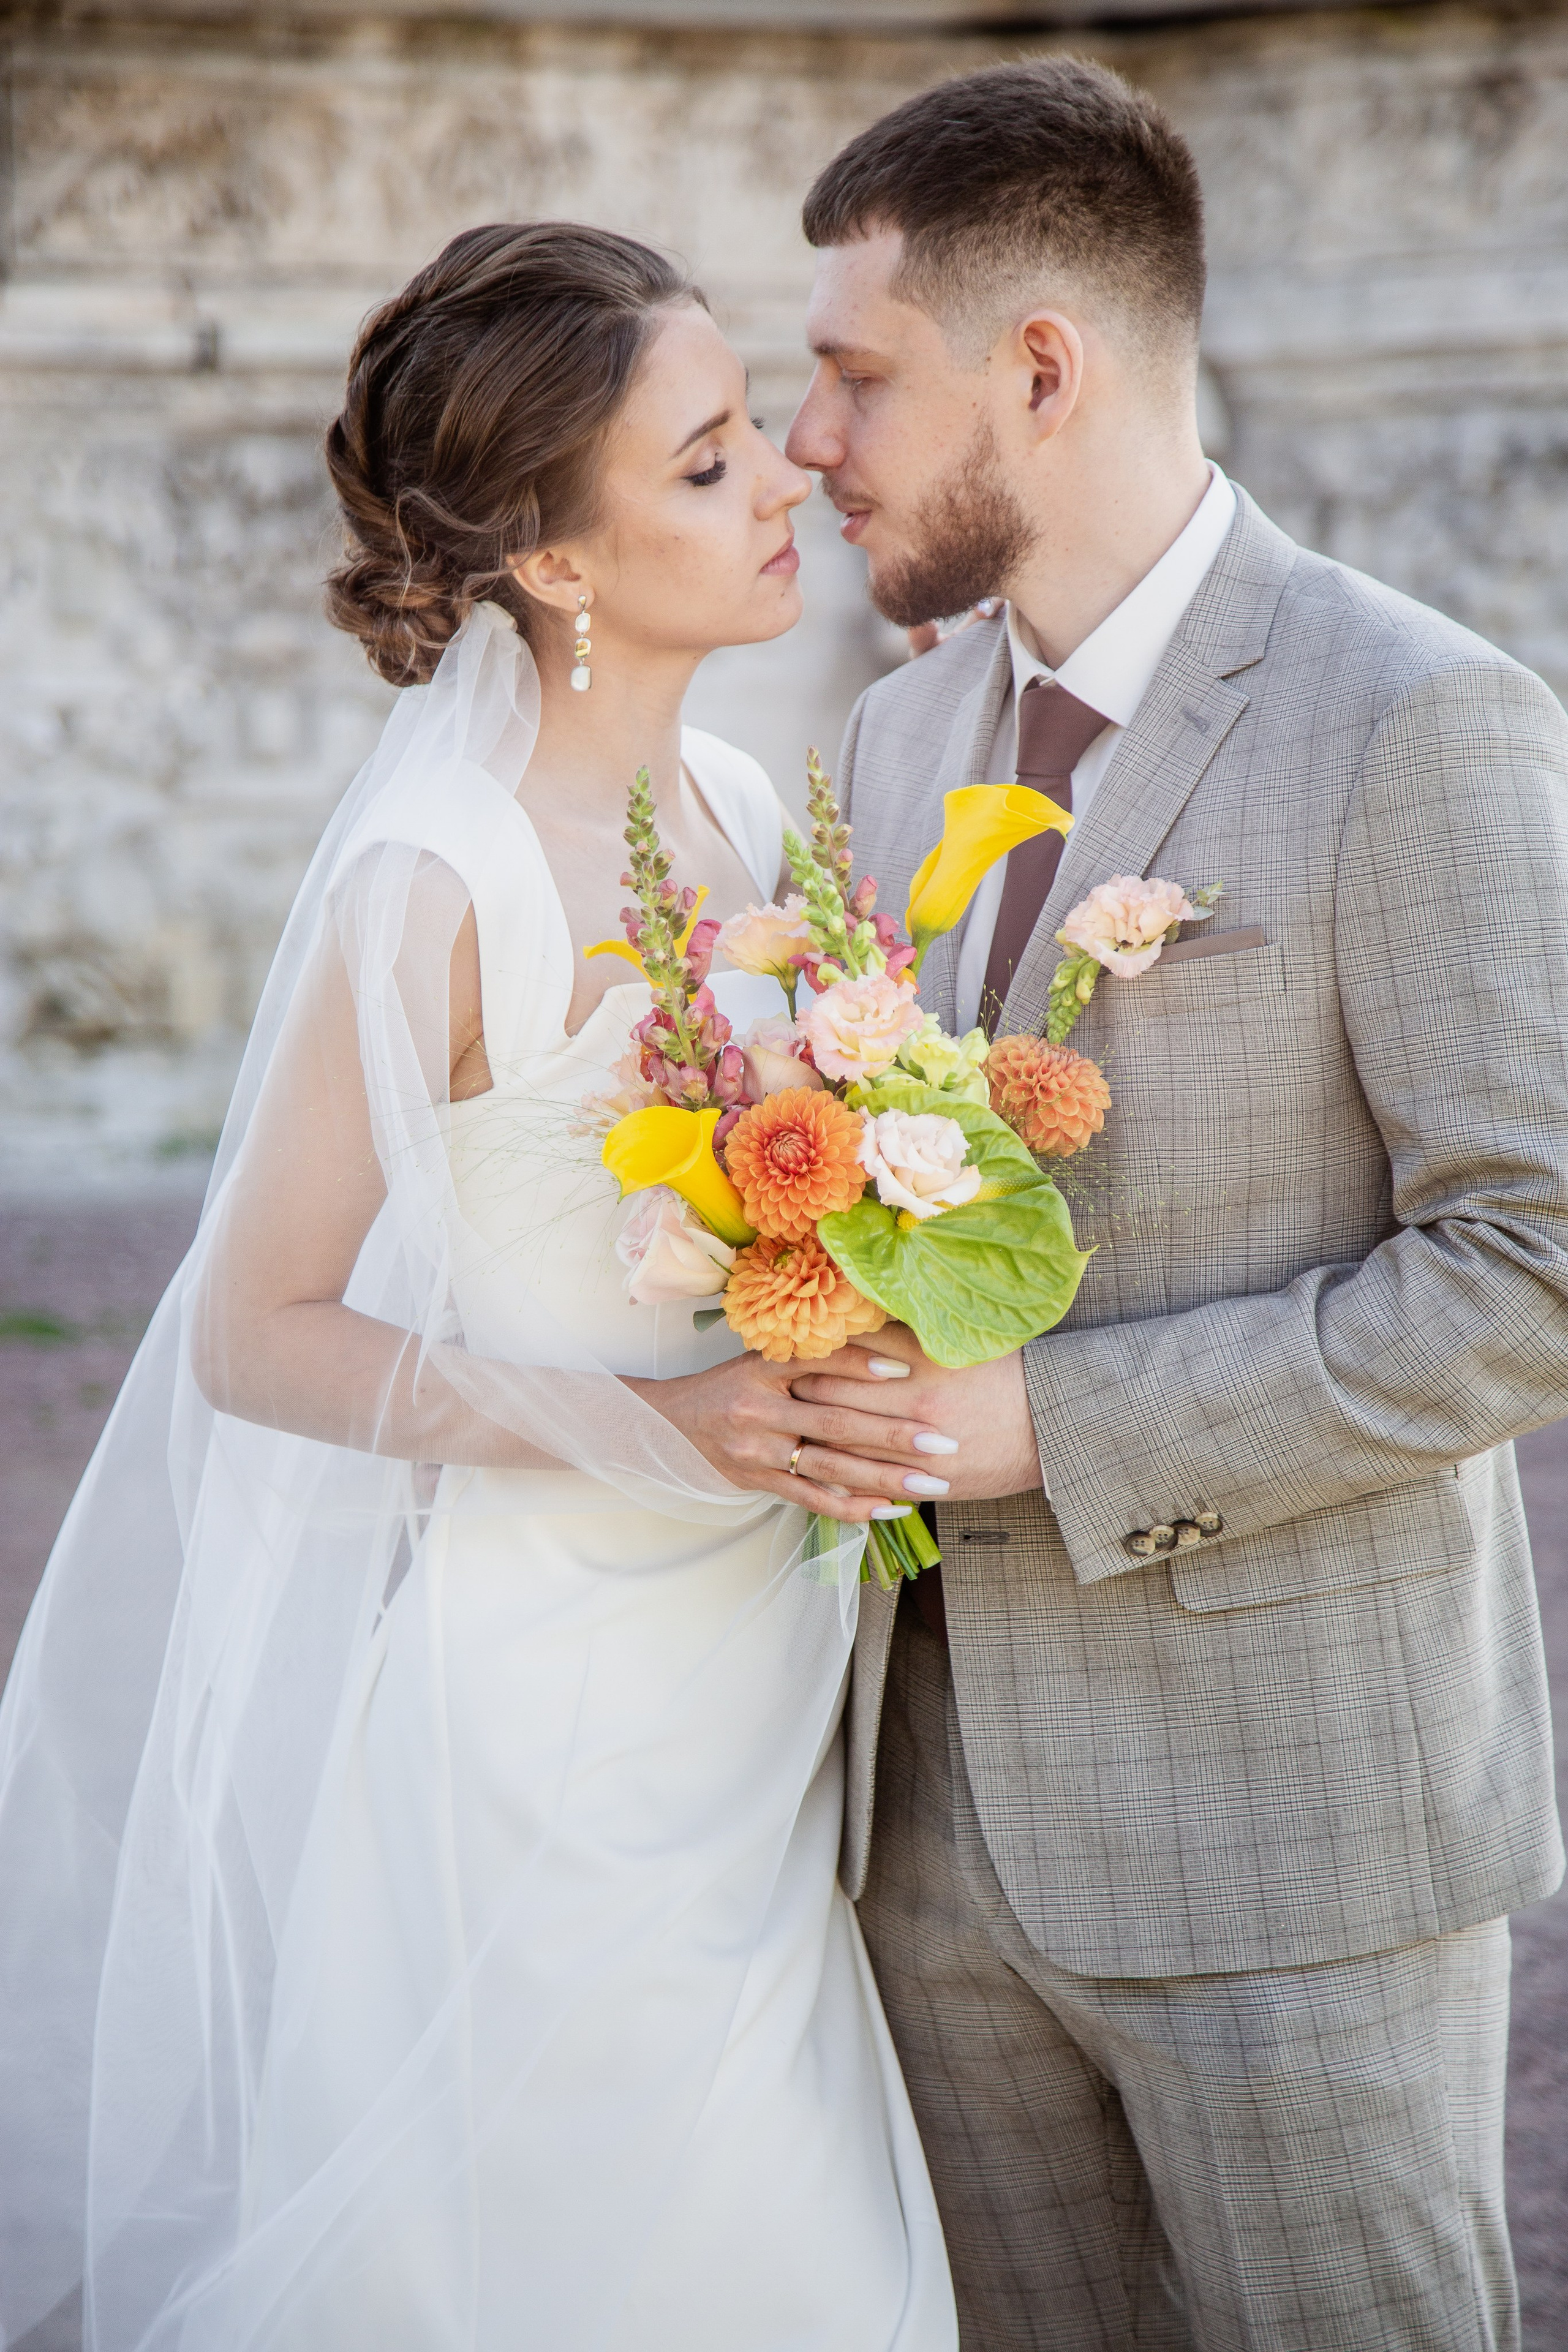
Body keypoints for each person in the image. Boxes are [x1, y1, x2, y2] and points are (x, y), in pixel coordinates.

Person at [0, 222, 958, 2351]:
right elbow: (260, 1335)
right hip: (560, 1725)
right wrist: (671, 1426)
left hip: (768, 1692)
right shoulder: (436, 879)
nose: (787, 476)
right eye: (708, 462)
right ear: (557, 560)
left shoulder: (733, 805)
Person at [777, 56, 1568, 2352]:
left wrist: (1065, 1427)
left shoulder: (1418, 719)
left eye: (852, 376)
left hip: (1295, 1845)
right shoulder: (887, 746)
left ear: (1042, 368)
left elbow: (1534, 1266)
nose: (810, 439)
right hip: (922, 1842)